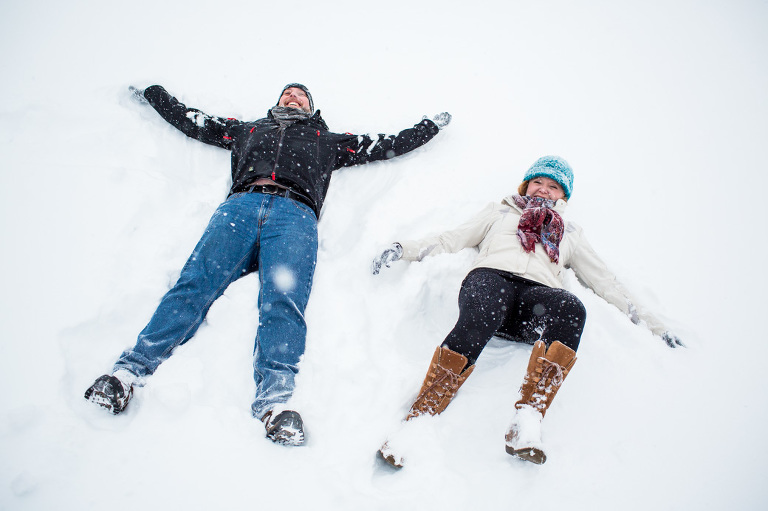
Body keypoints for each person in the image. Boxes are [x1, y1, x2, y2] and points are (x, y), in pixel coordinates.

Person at [84, 82, 451, 446]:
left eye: (301, 95)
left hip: (295, 216)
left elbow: (384, 144)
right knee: (194, 285)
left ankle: (275, 403)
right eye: (287, 93)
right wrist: (155, 94)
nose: (293, 96)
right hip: (239, 209)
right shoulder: (248, 130)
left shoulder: (327, 140)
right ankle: (127, 374)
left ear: (311, 107)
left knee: (284, 302)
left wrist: (428, 127)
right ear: (277, 102)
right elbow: (194, 121)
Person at [371, 155, 683, 466]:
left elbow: (607, 283)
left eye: (553, 186)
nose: (544, 190)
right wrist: (404, 249)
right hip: (491, 281)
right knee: (484, 308)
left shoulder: (570, 233)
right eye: (538, 182)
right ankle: (418, 418)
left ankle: (528, 419)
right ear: (526, 184)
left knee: (571, 308)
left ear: (563, 195)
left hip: (533, 300)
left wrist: (654, 326)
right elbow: (451, 239)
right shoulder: (500, 211)